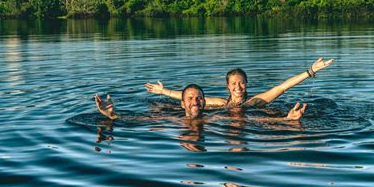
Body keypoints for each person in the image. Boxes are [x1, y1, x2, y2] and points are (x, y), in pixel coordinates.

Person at [144, 57, 334, 108]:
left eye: (241, 83)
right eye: (234, 84)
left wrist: (310, 71)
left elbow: (282, 87)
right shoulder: (220, 104)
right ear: (228, 86)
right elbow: (190, 98)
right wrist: (164, 92)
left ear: (247, 84)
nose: (238, 87)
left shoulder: (255, 102)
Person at [95, 84, 307, 121]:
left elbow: (258, 123)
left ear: (205, 103)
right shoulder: (173, 120)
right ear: (183, 104)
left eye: (199, 98)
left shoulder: (216, 118)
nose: (195, 101)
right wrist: (111, 115)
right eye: (190, 99)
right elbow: (136, 120)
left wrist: (286, 120)